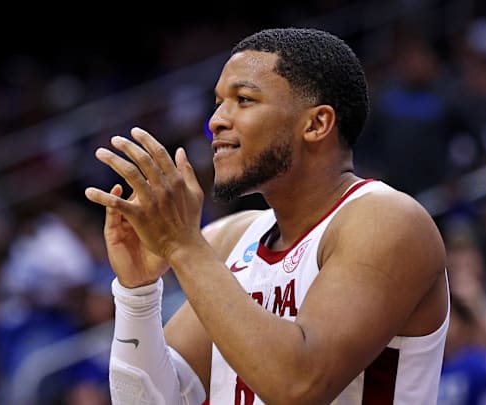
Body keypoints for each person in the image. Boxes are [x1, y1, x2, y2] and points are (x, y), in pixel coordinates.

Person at [85, 27, 450, 404]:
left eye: (243, 99)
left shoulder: (386, 221)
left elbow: (299, 387)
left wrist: (182, 245)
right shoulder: (226, 240)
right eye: (218, 102)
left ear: (316, 124)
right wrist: (138, 292)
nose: (215, 121)